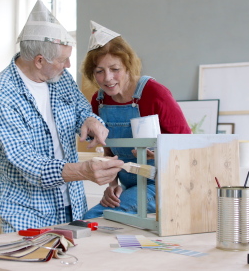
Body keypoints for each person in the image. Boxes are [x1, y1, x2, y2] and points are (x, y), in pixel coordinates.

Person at [0, 0, 124, 232]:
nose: (68, 65)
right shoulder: (0, 94)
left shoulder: (58, 78)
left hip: (72, 204)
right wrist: (83, 171)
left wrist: (90, 120)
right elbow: (27, 163)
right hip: (28, 212)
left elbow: (80, 108)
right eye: (62, 60)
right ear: (39, 61)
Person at [81, 21, 191, 219]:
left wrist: (156, 154)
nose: (107, 78)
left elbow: (188, 147)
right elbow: (108, 150)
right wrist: (112, 186)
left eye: (115, 69)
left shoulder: (155, 93)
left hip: (163, 184)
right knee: (104, 216)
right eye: (99, 71)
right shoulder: (99, 101)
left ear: (128, 66)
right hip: (129, 186)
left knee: (94, 217)